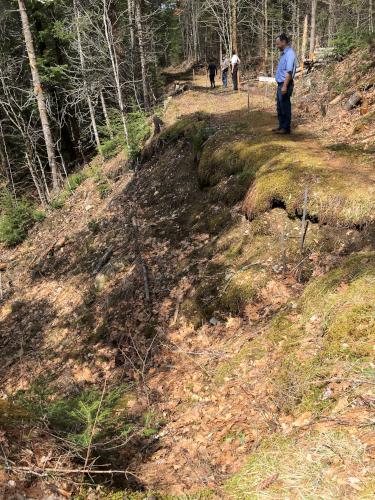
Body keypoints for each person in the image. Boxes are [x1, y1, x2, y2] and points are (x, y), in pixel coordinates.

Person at [273, 33, 297, 134]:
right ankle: (281, 126)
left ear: (283, 42)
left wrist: (285, 86)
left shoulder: (290, 53)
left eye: (278, 44)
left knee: (285, 106)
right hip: (280, 84)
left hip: (285, 84)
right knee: (279, 106)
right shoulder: (283, 54)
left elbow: (289, 72)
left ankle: (286, 128)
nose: (277, 46)